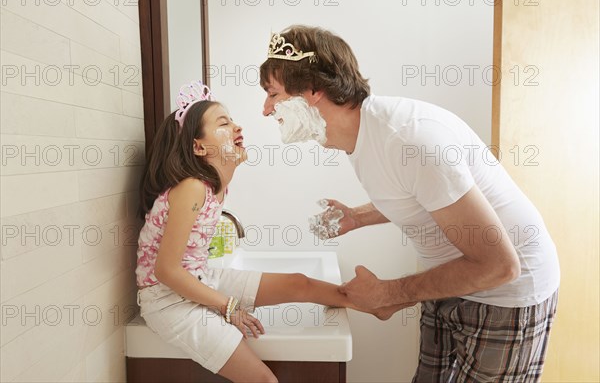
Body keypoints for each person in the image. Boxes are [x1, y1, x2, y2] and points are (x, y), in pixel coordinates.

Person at [259, 26, 560, 382]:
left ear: (313, 91)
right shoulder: (358, 136)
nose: (266, 110)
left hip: (506, 293)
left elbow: (500, 266)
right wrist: (358, 217)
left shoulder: (409, 139)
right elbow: (421, 195)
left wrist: (389, 293)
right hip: (453, 281)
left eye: (273, 94)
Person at [135, 81, 381, 383]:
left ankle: (372, 301)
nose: (237, 127)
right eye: (223, 123)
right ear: (198, 147)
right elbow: (166, 270)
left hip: (199, 279)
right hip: (169, 301)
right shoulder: (191, 188)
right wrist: (229, 307)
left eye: (233, 120)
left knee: (299, 283)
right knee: (265, 381)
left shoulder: (213, 189)